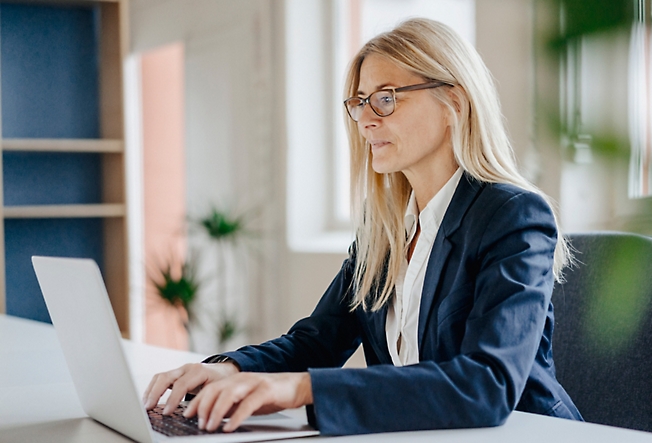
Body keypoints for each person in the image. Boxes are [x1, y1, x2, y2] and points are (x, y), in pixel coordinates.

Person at [143, 17, 582, 435]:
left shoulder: (514, 216)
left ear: (454, 102)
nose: (367, 119)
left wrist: (300, 389)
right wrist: (228, 369)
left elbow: (485, 385)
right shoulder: (384, 226)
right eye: (359, 102)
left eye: (386, 98)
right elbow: (317, 341)